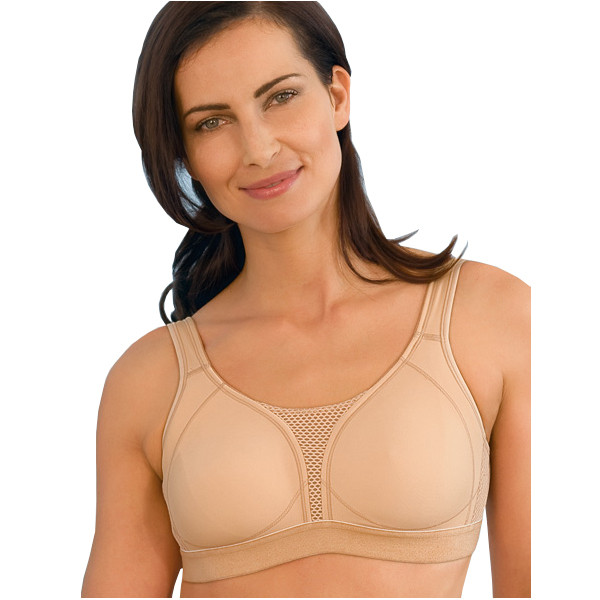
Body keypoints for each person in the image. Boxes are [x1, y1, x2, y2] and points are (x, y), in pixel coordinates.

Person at [82, 2, 530, 597]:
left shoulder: (493, 318)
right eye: (212, 122)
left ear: (337, 96)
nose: (258, 148)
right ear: (184, 155)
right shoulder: (148, 382)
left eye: (281, 97)